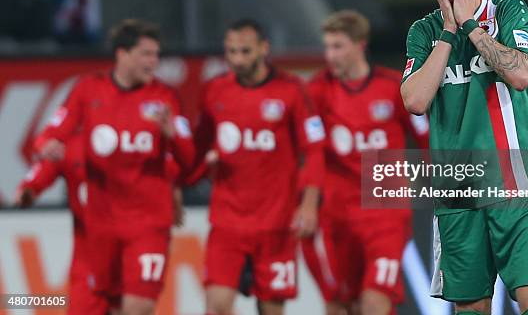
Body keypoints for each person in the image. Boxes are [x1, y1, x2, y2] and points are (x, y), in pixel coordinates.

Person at [401, 0, 528, 315]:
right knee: (470, 307)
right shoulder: (423, 31)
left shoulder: (508, 9)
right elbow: (416, 101)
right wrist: (450, 31)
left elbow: (521, 74)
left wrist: (470, 25)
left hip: (517, 179)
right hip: (457, 187)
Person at [35, 19, 195, 315]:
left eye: (156, 55)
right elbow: (49, 135)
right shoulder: (88, 91)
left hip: (148, 223)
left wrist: (173, 135)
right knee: (105, 305)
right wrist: (46, 147)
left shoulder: (165, 98)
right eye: (146, 54)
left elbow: (189, 160)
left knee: (139, 305)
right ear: (122, 54)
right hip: (102, 227)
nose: (154, 62)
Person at [191, 18, 325, 315]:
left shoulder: (292, 90)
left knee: (271, 309)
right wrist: (196, 170)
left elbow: (314, 148)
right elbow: (197, 148)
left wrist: (309, 204)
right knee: (216, 306)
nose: (237, 60)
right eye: (231, 52)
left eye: (245, 52)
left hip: (275, 224)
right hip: (227, 223)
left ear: (264, 49)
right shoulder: (214, 91)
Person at [301, 10, 429, 315]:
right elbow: (313, 151)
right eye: (327, 46)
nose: (329, 55)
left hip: (386, 212)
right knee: (342, 304)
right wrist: (309, 202)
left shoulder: (394, 87)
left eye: (338, 46)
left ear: (360, 45)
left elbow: (426, 139)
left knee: (375, 300)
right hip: (338, 213)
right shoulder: (316, 91)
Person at [15, 134, 186, 314]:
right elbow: (37, 177)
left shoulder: (132, 140)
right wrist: (28, 191)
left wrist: (173, 197)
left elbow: (168, 170)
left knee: (136, 308)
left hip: (127, 251)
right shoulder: (69, 147)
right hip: (89, 259)